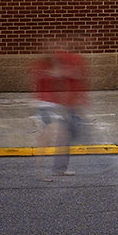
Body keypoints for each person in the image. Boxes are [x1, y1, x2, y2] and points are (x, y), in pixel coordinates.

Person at [31, 39, 89, 176]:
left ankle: (51, 169)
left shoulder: (46, 66)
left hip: (50, 106)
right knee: (55, 136)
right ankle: (50, 170)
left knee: (53, 136)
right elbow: (57, 82)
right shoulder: (47, 66)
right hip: (48, 106)